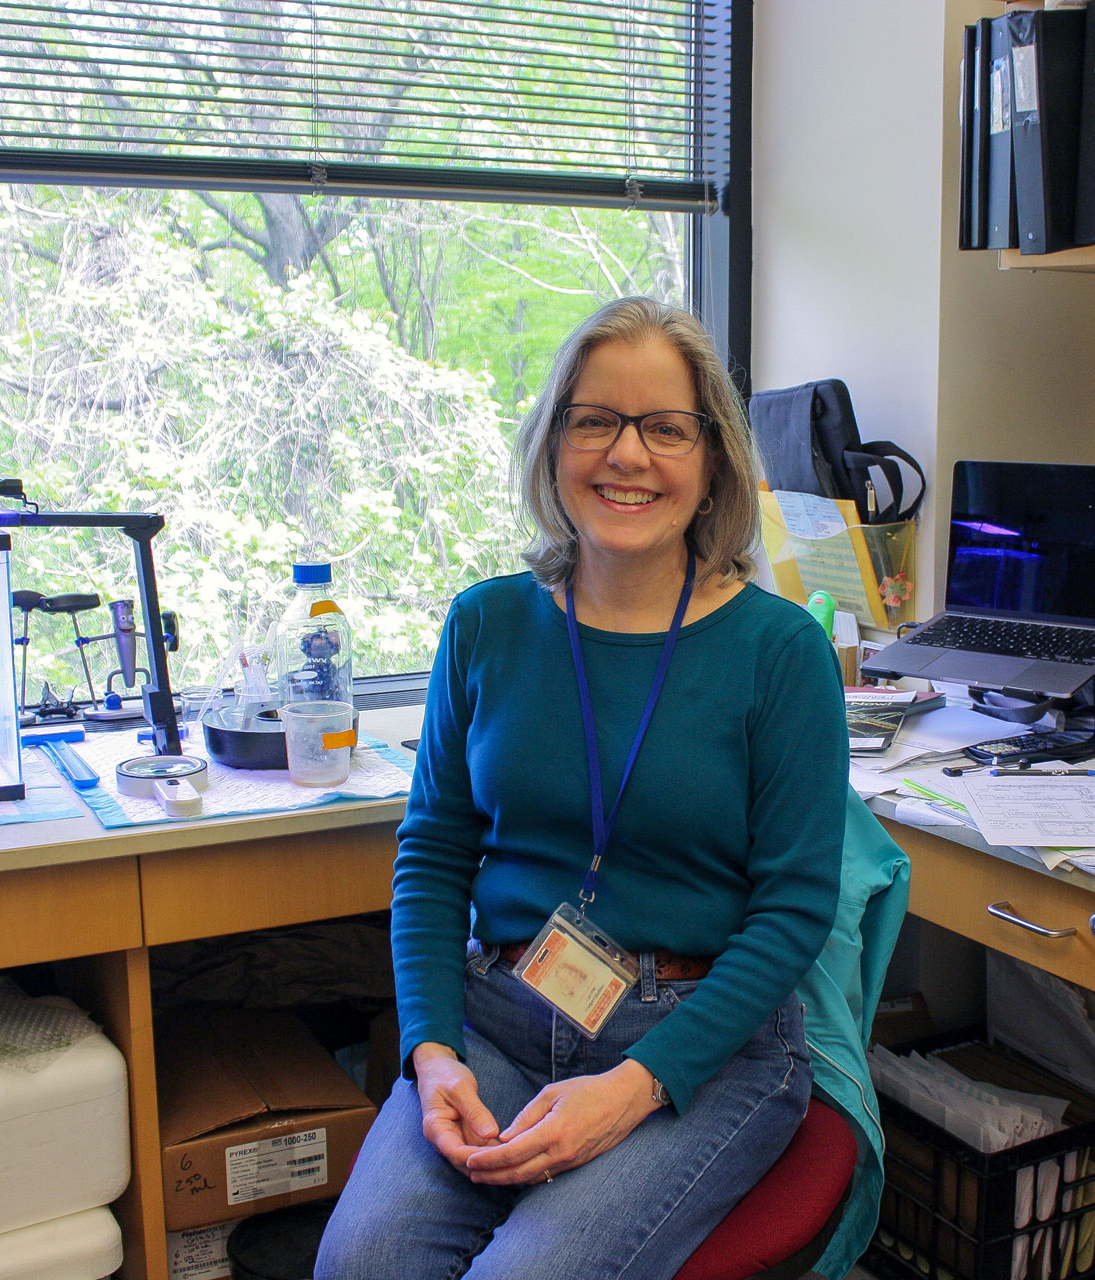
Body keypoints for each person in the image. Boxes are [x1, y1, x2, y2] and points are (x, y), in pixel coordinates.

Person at [316, 297, 847, 1280]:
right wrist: (432, 1053)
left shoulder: (781, 652)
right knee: (360, 1264)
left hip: (701, 1045)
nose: (626, 455)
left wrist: (639, 1084)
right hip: (503, 1019)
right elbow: (434, 854)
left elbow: (794, 909)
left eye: (665, 427)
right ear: (553, 443)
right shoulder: (486, 625)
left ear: (715, 458)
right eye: (593, 419)